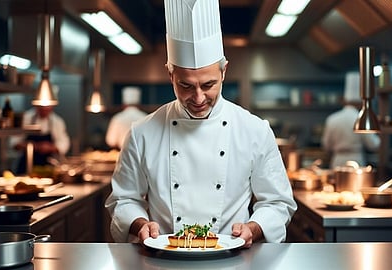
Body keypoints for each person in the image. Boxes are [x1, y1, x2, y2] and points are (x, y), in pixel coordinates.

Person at [105, 0, 297, 248]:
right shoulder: (142, 132)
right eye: (185, 85)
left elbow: (278, 203)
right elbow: (123, 199)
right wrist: (141, 224)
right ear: (170, 74)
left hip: (233, 260)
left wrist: (253, 228)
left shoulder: (255, 130)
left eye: (208, 85)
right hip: (163, 259)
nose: (198, 98)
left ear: (224, 71)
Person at [321, 71, 381, 168]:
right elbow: (373, 145)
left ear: (344, 100)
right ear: (361, 102)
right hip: (356, 161)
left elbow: (326, 146)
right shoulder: (361, 119)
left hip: (337, 160)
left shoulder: (332, 119)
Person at [12, 105, 70, 174]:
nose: (44, 111)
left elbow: (63, 144)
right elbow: (14, 143)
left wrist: (50, 148)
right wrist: (32, 146)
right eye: (41, 108)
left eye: (47, 109)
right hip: (26, 166)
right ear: (36, 106)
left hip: (48, 167)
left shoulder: (57, 121)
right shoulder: (26, 118)